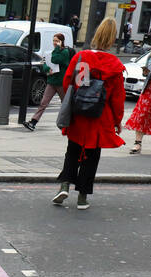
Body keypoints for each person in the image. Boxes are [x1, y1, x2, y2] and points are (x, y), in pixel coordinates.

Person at [53, 19, 125, 211]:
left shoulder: (82, 57)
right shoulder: (115, 64)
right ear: (111, 39)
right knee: (92, 155)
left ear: (96, 35)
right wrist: (118, 121)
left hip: (80, 111)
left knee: (73, 149)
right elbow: (117, 97)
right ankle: (82, 197)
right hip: (101, 115)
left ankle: (65, 185)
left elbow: (71, 80)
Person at [24, 32, 74, 130]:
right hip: (51, 82)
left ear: (61, 41)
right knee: (43, 103)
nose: (54, 43)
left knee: (65, 104)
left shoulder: (64, 52)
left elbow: (55, 60)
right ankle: (33, 122)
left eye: (57, 41)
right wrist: (47, 69)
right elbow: (45, 63)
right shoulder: (52, 52)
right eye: (54, 40)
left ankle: (70, 124)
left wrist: (57, 49)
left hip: (61, 82)